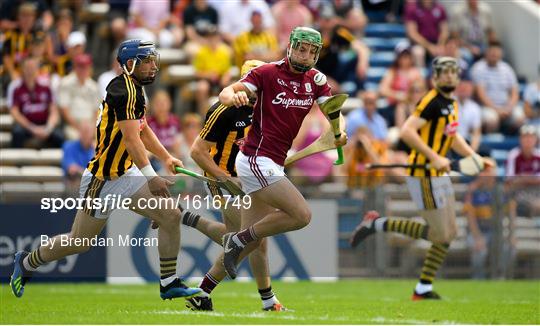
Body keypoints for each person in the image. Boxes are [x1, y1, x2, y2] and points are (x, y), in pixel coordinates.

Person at [9, 40, 201, 301]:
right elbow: (132, 139)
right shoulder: (124, 90)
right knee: (80, 241)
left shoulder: (135, 90)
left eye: (153, 61)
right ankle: (27, 261)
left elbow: (142, 130)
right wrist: (152, 177)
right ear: (130, 64)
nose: (153, 66)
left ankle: (169, 283)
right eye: (147, 61)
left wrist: (166, 156)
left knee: (170, 214)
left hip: (126, 172)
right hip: (102, 179)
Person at [350, 57, 492, 300]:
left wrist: (474, 156)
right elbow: (407, 131)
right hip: (423, 174)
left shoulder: (452, 103)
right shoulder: (431, 101)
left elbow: (453, 136)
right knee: (441, 234)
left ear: (457, 77)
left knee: (449, 233)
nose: (449, 76)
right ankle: (376, 224)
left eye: (453, 73)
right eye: (443, 73)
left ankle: (423, 288)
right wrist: (435, 156)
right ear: (434, 77)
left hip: (438, 173)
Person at [217, 26, 347, 280]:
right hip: (256, 158)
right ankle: (238, 240)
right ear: (290, 47)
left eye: (311, 51)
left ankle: (204, 290)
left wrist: (339, 131)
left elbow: (334, 113)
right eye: (301, 48)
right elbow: (226, 91)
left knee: (255, 241)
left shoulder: (316, 81)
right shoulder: (267, 72)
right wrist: (232, 98)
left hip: (274, 162)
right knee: (301, 215)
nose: (305, 55)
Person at [178, 60, 287, 311]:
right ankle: (204, 293)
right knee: (252, 238)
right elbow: (197, 152)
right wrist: (225, 179)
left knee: (242, 238)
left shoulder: (266, 109)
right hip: (220, 180)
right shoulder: (224, 110)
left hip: (249, 179)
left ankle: (188, 217)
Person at [470, 41, 523, 134]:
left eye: (497, 51)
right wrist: (497, 110)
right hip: (487, 107)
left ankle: (510, 139)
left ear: (501, 53)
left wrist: (509, 107)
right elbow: (481, 95)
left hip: (506, 107)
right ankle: (493, 141)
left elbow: (515, 91)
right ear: (486, 52)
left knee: (520, 116)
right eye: (492, 51)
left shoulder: (507, 68)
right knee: (491, 119)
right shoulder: (478, 68)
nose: (494, 54)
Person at [10, 56, 63, 148]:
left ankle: (55, 162)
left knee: (60, 137)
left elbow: (54, 110)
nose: (31, 71)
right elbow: (15, 112)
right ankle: (18, 162)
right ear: (22, 69)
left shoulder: (46, 87)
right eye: (28, 68)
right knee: (17, 133)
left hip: (45, 124)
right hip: (26, 126)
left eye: (33, 68)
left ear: (38, 69)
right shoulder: (16, 88)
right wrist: (32, 128)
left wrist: (48, 128)